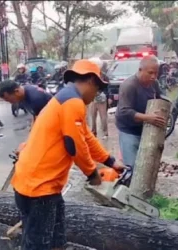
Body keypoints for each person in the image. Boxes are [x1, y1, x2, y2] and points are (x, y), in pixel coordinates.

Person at [12, 59, 124, 250]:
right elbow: (74, 145)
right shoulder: (72, 102)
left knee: (56, 240)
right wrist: (92, 173)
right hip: (39, 187)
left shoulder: (67, 98)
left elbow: (85, 136)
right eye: (97, 89)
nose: (96, 94)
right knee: (38, 245)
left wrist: (110, 161)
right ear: (90, 81)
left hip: (45, 185)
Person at [115, 56, 166, 168]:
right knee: (132, 166)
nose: (153, 77)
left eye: (156, 73)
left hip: (145, 128)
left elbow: (159, 98)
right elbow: (124, 111)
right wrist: (148, 118)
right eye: (150, 73)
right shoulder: (129, 85)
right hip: (129, 129)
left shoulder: (155, 83)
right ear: (140, 70)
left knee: (146, 166)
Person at [88, 57, 110, 139]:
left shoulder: (104, 76)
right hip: (92, 98)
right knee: (92, 116)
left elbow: (108, 86)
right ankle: (93, 132)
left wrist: (107, 95)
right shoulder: (90, 75)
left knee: (103, 116)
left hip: (101, 98)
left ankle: (105, 133)